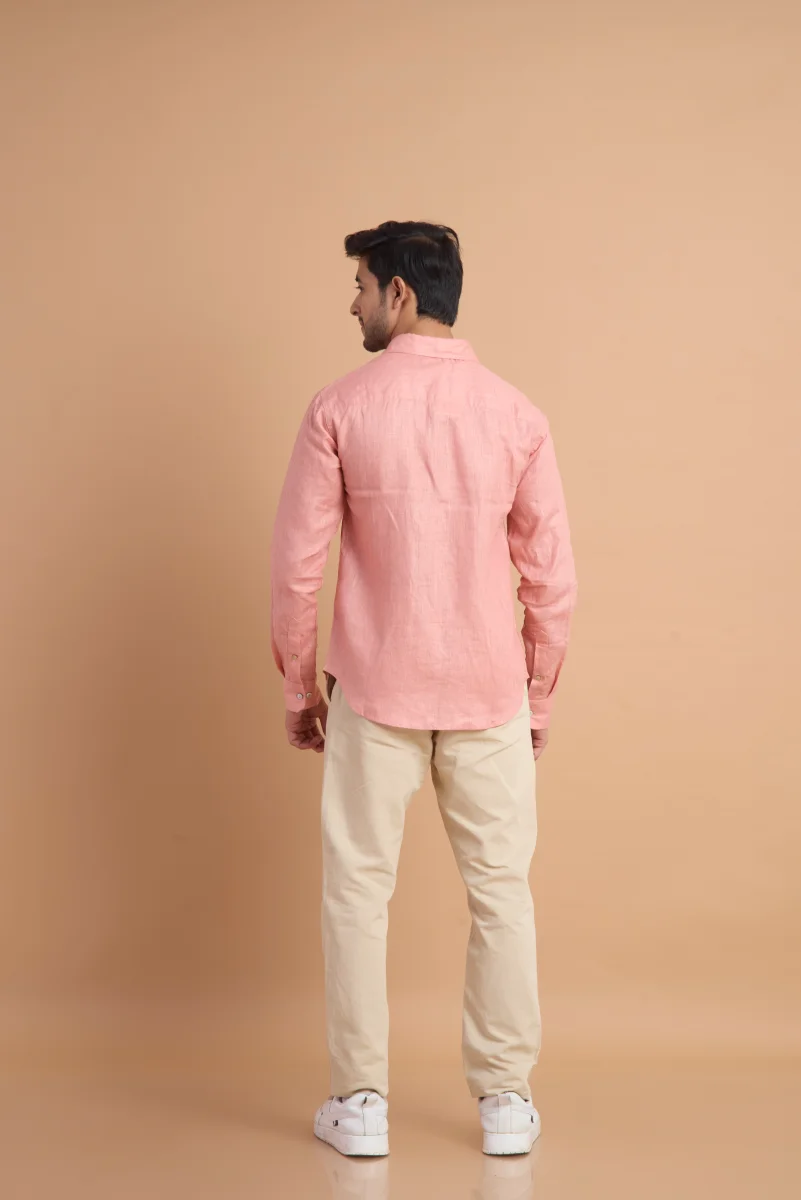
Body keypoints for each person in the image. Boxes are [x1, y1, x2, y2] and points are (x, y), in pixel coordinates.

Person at [270, 220, 578, 1157]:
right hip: (488, 691)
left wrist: (299, 689)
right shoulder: (517, 415)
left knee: (356, 895)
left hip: (375, 688)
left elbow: (296, 568)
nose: (353, 305)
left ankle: (360, 1103)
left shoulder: (337, 408)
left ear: (399, 294)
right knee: (501, 894)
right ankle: (505, 1101)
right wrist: (537, 694)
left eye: (361, 287)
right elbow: (551, 580)